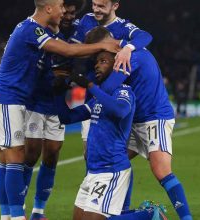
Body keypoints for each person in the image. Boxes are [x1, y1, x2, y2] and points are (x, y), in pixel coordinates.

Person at [0, 0, 122, 219]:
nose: (63, 11)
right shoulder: (32, 29)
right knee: (16, 156)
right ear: (48, 8)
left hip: (14, 100)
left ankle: (13, 215)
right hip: (7, 98)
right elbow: (66, 50)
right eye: (60, 7)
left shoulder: (38, 30)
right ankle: (16, 216)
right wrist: (102, 45)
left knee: (10, 158)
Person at [87, 27, 193, 220]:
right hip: (135, 120)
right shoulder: (127, 50)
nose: (97, 58)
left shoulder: (128, 57)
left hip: (154, 117)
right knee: (117, 160)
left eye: (99, 52)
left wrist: (88, 87)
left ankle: (186, 218)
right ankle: (123, 211)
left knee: (161, 170)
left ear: (107, 43)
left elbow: (109, 87)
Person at [55, 50, 166, 220]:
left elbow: (121, 110)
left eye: (103, 61)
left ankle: (150, 215)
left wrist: (91, 86)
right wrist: (60, 90)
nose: (97, 65)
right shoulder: (97, 99)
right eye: (96, 63)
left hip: (111, 169)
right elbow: (66, 117)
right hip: (93, 171)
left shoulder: (124, 91)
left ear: (115, 66)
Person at [71, 1, 153, 210]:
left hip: (112, 95)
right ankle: (99, 203)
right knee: (90, 155)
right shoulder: (85, 22)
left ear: (115, 5)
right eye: (94, 4)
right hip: (92, 97)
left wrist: (127, 48)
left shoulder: (123, 27)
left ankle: (122, 207)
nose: (96, 9)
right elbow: (71, 45)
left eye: (101, 5)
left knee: (115, 155)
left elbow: (146, 36)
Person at [22, 1, 86, 219]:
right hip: (36, 99)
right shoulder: (44, 27)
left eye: (72, 11)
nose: (68, 15)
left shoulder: (79, 29)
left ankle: (38, 212)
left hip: (57, 100)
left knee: (52, 154)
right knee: (31, 154)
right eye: (65, 10)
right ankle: (17, 207)